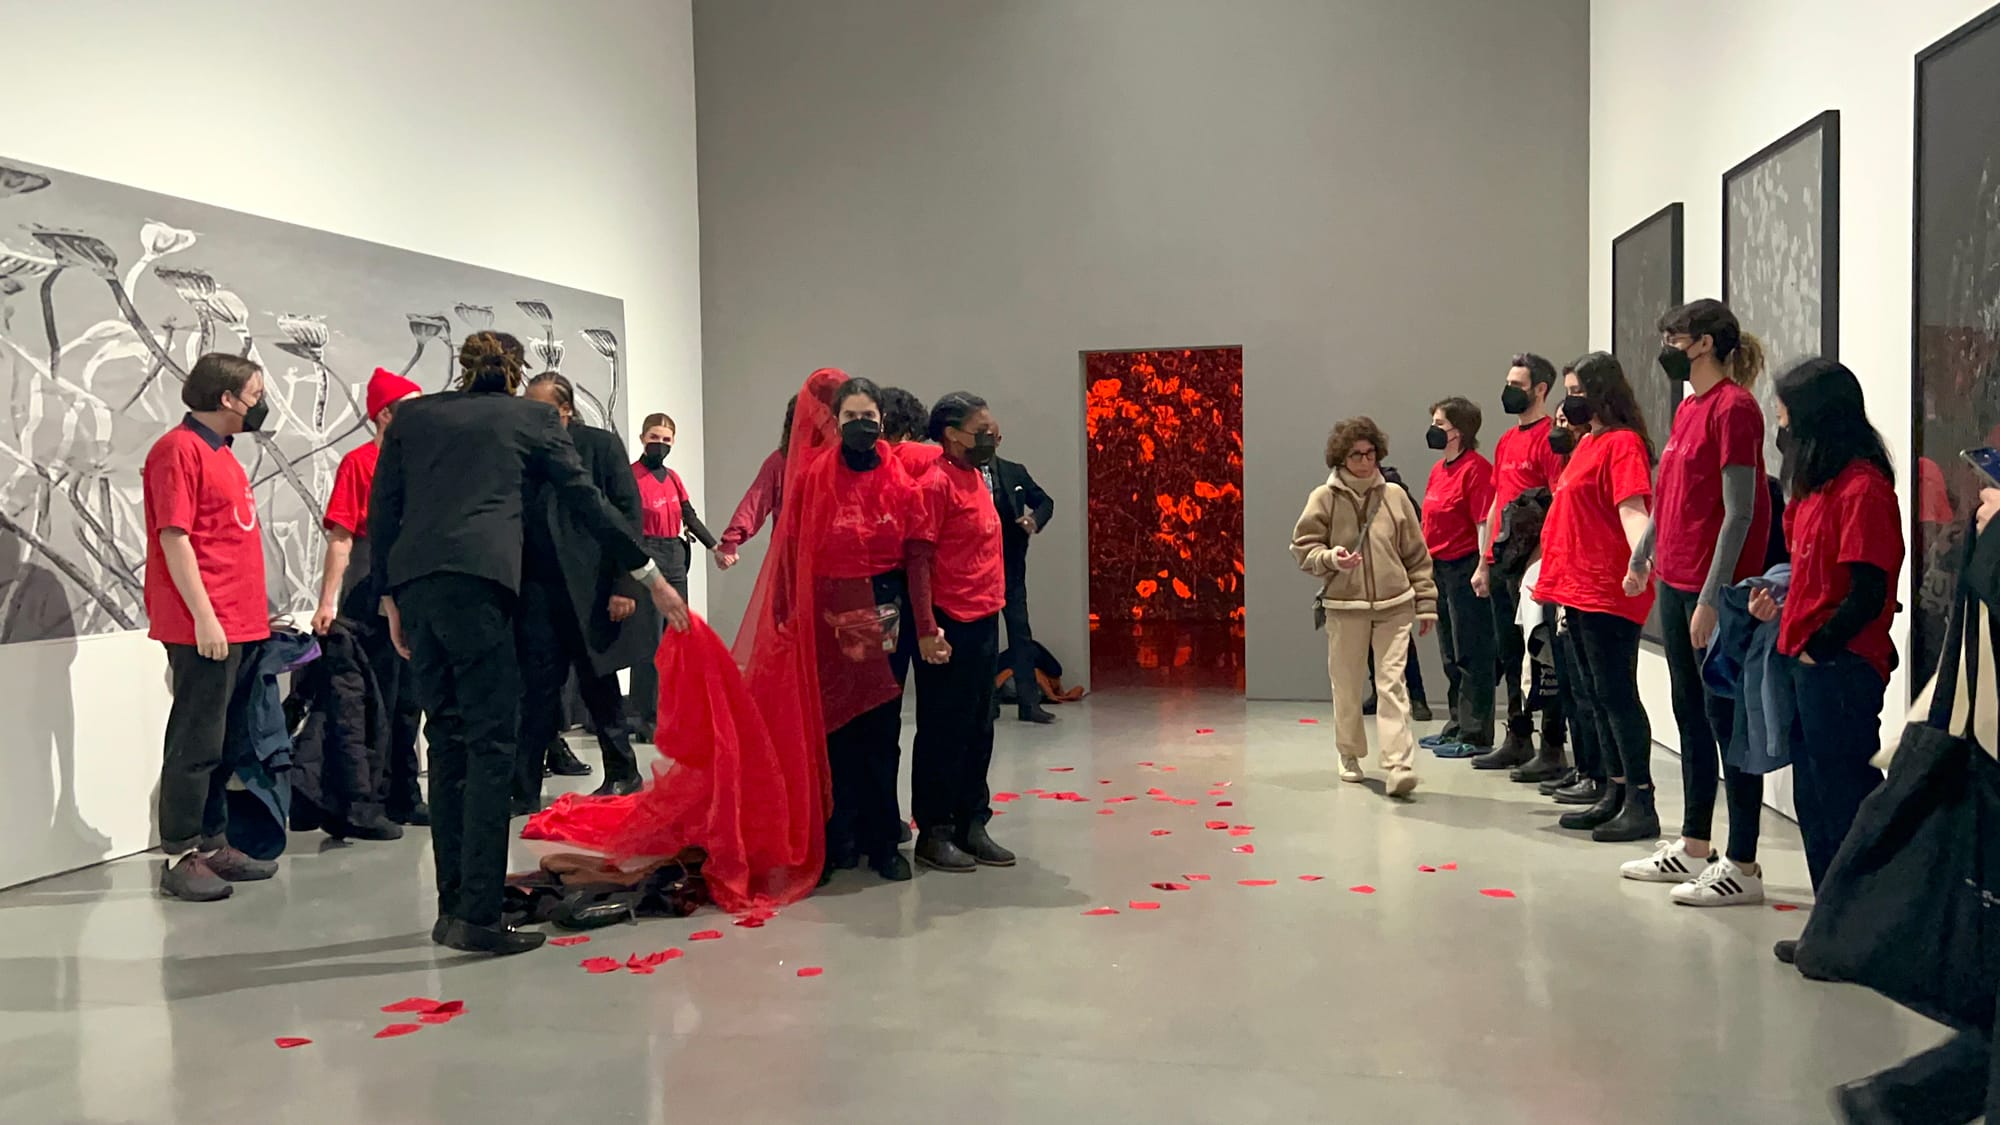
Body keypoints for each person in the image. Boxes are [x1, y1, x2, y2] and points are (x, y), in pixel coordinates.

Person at [370, 331, 690, 956]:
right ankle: (479, 915)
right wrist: (649, 575)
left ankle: (452, 908)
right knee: (492, 744)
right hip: (483, 587)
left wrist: (390, 598)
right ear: (515, 375)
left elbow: (386, 510)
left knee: (447, 740)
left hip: (419, 588)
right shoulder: (531, 419)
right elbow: (590, 502)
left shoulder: (414, 417)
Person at [1620, 299, 1773, 904]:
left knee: (1727, 721)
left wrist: (1713, 596)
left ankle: (1744, 863)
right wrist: (1642, 555)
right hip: (1676, 580)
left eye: (1674, 337)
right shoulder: (1688, 408)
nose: (1668, 347)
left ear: (1705, 343)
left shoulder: (1735, 409)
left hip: (1716, 590)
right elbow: (1669, 496)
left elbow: (1740, 513)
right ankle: (1694, 844)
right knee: (1689, 713)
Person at [1749, 360, 1901, 917]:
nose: (1780, 427)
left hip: (1840, 667)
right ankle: (1829, 920)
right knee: (1813, 798)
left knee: (1842, 797)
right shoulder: (1816, 489)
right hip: (1805, 659)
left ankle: (1855, 923)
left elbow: (1868, 591)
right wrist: (1778, 606)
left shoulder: (1862, 489)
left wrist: (1820, 649)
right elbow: (1809, 575)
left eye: (1785, 416)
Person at [143, 353, 282, 902]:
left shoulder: (223, 453)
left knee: (225, 741)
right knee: (195, 740)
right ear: (227, 398)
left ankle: (212, 841)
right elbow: (174, 537)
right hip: (204, 622)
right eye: (255, 394)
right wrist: (205, 616)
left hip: (240, 621)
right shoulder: (177, 450)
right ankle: (179, 853)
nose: (260, 404)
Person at [815, 376, 948, 882]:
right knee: (836, 728)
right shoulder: (815, 478)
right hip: (831, 613)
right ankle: (838, 836)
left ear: (882, 421)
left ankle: (882, 840)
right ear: (836, 422)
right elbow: (796, 552)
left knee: (882, 728)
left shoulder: (901, 479)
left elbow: (916, 559)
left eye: (868, 417)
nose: (860, 425)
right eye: (850, 417)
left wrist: (926, 624)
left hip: (887, 610)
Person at [513, 372, 655, 810]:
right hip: (539, 589)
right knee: (536, 689)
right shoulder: (525, 453)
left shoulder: (600, 446)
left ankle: (623, 772)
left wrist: (624, 583)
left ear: (566, 409)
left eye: (542, 408)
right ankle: (523, 788)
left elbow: (628, 516)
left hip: (592, 589)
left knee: (599, 683)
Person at [1537, 352, 1660, 842]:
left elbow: (1632, 510)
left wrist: (1640, 562)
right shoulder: (1587, 442)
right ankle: (1615, 789)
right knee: (1594, 695)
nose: (1570, 402)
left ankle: (1641, 801)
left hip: (1609, 587)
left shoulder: (1623, 444)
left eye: (1578, 392)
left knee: (1616, 694)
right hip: (1577, 587)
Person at [1290, 417, 1437, 797]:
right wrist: (1330, 559)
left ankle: (1399, 764)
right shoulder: (1323, 498)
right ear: (1341, 457)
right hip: (1344, 606)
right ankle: (1350, 753)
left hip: (1395, 605)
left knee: (1393, 684)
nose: (1365, 461)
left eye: (1370, 453)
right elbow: (1303, 548)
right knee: (1347, 685)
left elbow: (1416, 554)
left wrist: (1426, 603)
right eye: (1356, 454)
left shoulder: (1395, 496)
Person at [312, 367, 428, 832]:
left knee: (408, 700)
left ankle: (404, 793)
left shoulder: (418, 464)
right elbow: (341, 536)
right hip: (368, 590)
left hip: (408, 589)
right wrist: (327, 602)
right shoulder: (359, 463)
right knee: (374, 701)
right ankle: (365, 802)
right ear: (385, 415)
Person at [910, 391, 1015, 872]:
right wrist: (927, 628)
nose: (992, 438)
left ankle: (973, 822)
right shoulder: (935, 483)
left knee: (979, 726)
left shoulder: (976, 477)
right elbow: (919, 560)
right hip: (950, 623)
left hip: (985, 617)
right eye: (982, 432)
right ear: (952, 435)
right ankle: (935, 831)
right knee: (944, 730)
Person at [1473, 354, 1568, 775]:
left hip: (1535, 564)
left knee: (1542, 655)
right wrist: (1484, 561)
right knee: (1509, 654)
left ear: (1540, 389)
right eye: (1508, 382)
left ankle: (1552, 745)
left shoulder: (1550, 439)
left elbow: (1556, 501)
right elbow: (1497, 501)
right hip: (1502, 561)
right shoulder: (1506, 440)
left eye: (1518, 384)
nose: (1509, 391)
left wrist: (1538, 562)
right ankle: (1517, 735)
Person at [1421, 397, 1497, 758]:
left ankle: (1476, 731)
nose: (1433, 430)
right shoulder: (1439, 469)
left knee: (1472, 652)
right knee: (1450, 652)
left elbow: (1484, 522)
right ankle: (1455, 723)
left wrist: (1483, 565)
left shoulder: (1476, 469)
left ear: (1459, 431)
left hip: (1465, 567)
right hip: (1439, 568)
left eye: (1440, 424)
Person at [626, 411, 708, 743]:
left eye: (666, 439)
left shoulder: (673, 478)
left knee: (676, 638)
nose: (659, 444)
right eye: (654, 438)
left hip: (674, 556)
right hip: (646, 555)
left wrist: (716, 547)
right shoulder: (631, 476)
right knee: (649, 640)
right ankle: (644, 716)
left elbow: (689, 516)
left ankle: (674, 712)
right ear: (642, 438)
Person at [988, 430, 1057, 724]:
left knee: (1020, 633)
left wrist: (1033, 520)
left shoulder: (1014, 471)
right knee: (986, 636)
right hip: (977, 568)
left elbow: (1045, 502)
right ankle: (988, 704)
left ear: (999, 439)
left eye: (990, 436)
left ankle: (1029, 703)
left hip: (1011, 564)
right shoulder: (964, 474)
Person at [1364, 463, 1433, 723]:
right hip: (1363, 573)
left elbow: (1414, 525)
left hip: (1393, 573)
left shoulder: (1391, 485)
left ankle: (1417, 697)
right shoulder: (1346, 487)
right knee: (1367, 637)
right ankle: (1379, 692)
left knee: (1400, 639)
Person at [716, 395, 798, 570]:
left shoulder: (838, 461)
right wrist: (731, 541)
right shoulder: (781, 462)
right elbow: (755, 502)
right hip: (792, 561)